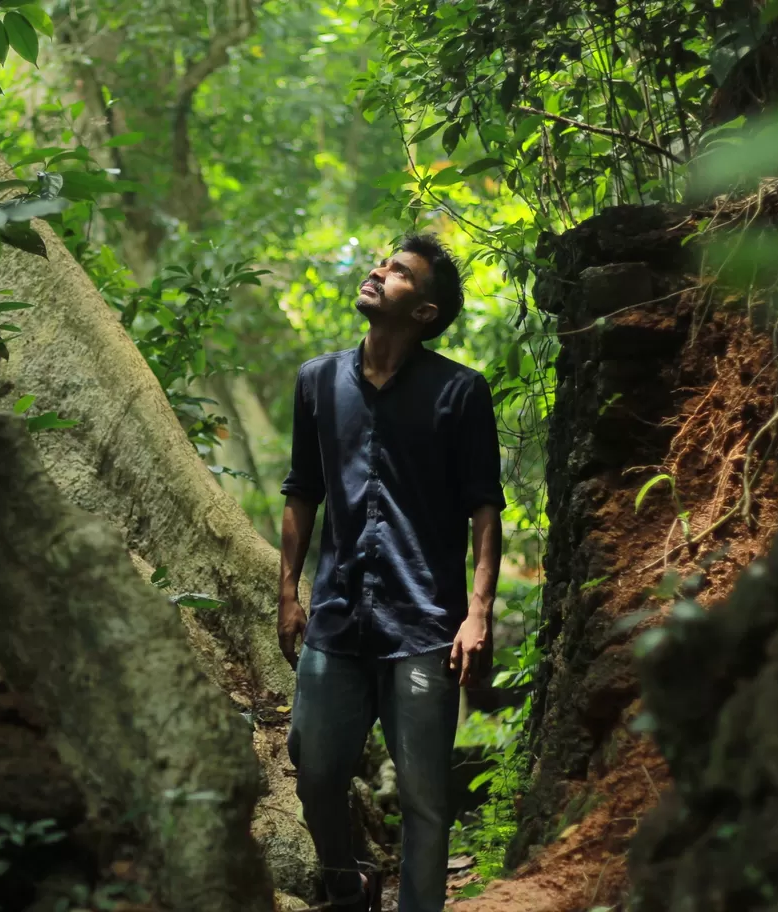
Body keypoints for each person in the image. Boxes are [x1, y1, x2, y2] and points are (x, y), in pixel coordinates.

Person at [278, 232, 505, 912]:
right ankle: (348, 879)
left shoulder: (461, 393)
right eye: (383, 263)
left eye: (399, 271)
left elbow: (485, 510)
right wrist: (287, 594)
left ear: (425, 313)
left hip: (426, 627)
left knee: (425, 798)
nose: (378, 272)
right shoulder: (317, 381)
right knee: (315, 770)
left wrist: (479, 612)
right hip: (338, 622)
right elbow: (302, 493)